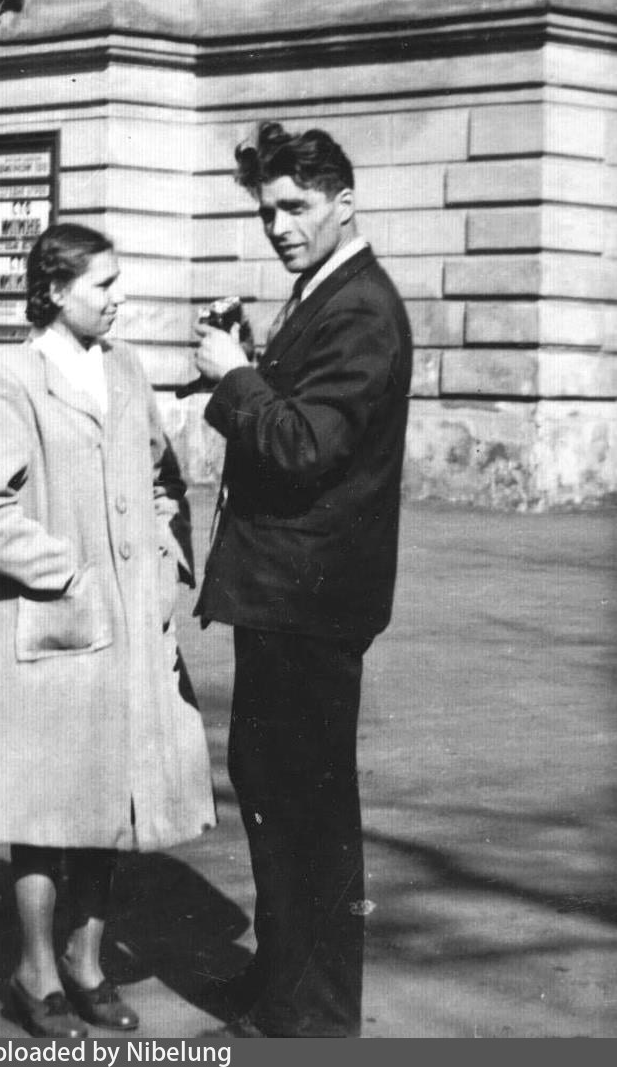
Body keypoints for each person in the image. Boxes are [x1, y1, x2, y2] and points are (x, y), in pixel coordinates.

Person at [0, 223, 215, 1039]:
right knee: (42, 810)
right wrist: (69, 571)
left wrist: (163, 551)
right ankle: (35, 972)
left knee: (111, 798)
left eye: (117, 280)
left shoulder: (125, 367)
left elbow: (165, 474)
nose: (118, 297)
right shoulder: (12, 379)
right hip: (54, 623)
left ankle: (87, 961)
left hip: (129, 625)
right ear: (57, 291)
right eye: (104, 284)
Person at [193, 123, 413, 1038]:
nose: (279, 226)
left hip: (309, 598)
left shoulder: (359, 307)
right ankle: (284, 982)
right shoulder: (326, 291)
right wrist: (254, 362)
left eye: (296, 206)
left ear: (343, 203)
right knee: (274, 786)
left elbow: (303, 444)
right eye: (267, 212)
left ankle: (313, 1018)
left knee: (307, 805)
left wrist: (236, 376)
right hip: (287, 591)